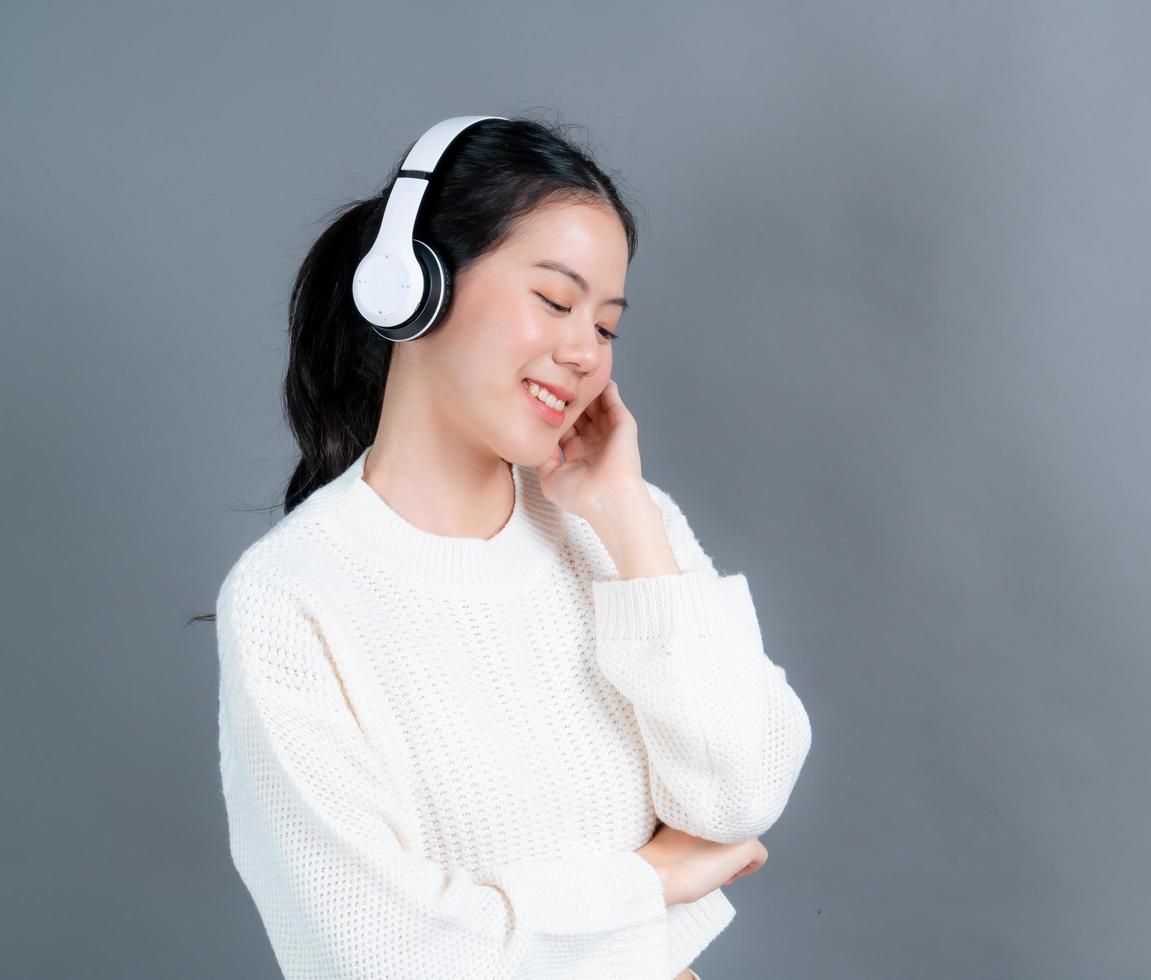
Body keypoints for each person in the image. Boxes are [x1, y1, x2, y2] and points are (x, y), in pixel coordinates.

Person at [212, 115, 813, 979]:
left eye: (606, 326)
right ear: (412, 286)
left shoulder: (619, 526)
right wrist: (647, 881)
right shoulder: (291, 598)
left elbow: (739, 793)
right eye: (556, 301)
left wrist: (627, 519)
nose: (583, 354)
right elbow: (380, 955)